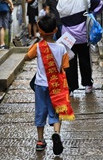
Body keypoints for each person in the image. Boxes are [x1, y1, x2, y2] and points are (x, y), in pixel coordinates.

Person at [23, 14, 72, 155]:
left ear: (40, 32)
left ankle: (40, 140)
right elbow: (66, 67)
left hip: (40, 85)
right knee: (56, 110)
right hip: (56, 86)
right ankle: (56, 133)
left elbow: (27, 57)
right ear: (56, 30)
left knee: (40, 110)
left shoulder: (38, 47)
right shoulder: (62, 48)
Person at [57, 0, 103, 95]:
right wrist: (92, 14)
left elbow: (60, 17)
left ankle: (71, 88)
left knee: (70, 62)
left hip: (67, 38)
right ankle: (88, 84)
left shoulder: (61, 0)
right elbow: (100, 5)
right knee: (85, 60)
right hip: (83, 36)